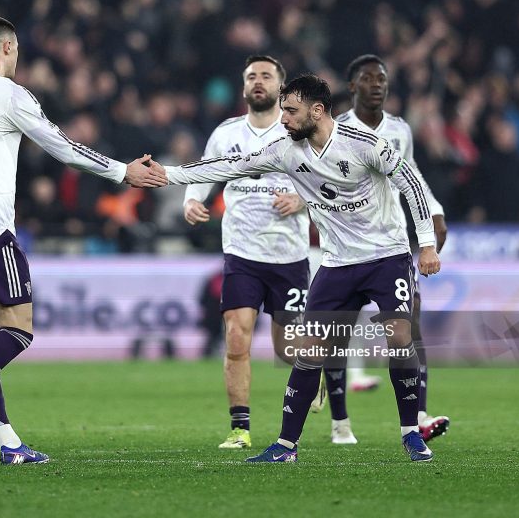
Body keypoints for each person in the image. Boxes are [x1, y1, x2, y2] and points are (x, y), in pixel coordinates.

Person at [0, 16, 166, 465]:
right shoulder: (10, 94)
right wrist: (122, 171)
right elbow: (62, 145)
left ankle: (9, 445)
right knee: (18, 331)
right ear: (8, 47)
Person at [160, 74, 441, 462]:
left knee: (398, 336)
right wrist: (169, 176)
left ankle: (411, 432)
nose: (284, 119)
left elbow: (410, 182)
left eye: (290, 111)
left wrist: (425, 245)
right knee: (309, 351)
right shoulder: (286, 150)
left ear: (318, 110)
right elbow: (226, 166)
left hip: (386, 257)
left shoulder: (362, 144)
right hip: (337, 263)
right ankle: (286, 445)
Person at [312, 55, 450, 444]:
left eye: (382, 78)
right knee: (336, 335)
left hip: (389, 246)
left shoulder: (400, 130)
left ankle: (418, 416)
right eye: (367, 78)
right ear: (352, 86)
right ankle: (340, 422)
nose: (377, 84)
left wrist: (434, 213)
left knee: (409, 325)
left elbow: (411, 176)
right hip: (345, 249)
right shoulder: (334, 130)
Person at [184, 55, 310, 449]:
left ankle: (314, 378)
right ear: (243, 87)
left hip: (288, 253)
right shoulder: (226, 133)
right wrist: (191, 200)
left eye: (266, 76)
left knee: (287, 349)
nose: (258, 81)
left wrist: (302, 200)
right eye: (252, 76)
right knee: (236, 338)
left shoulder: (299, 132)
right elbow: (205, 172)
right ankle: (240, 429)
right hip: (241, 252)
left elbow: (332, 181)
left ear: (281, 88)